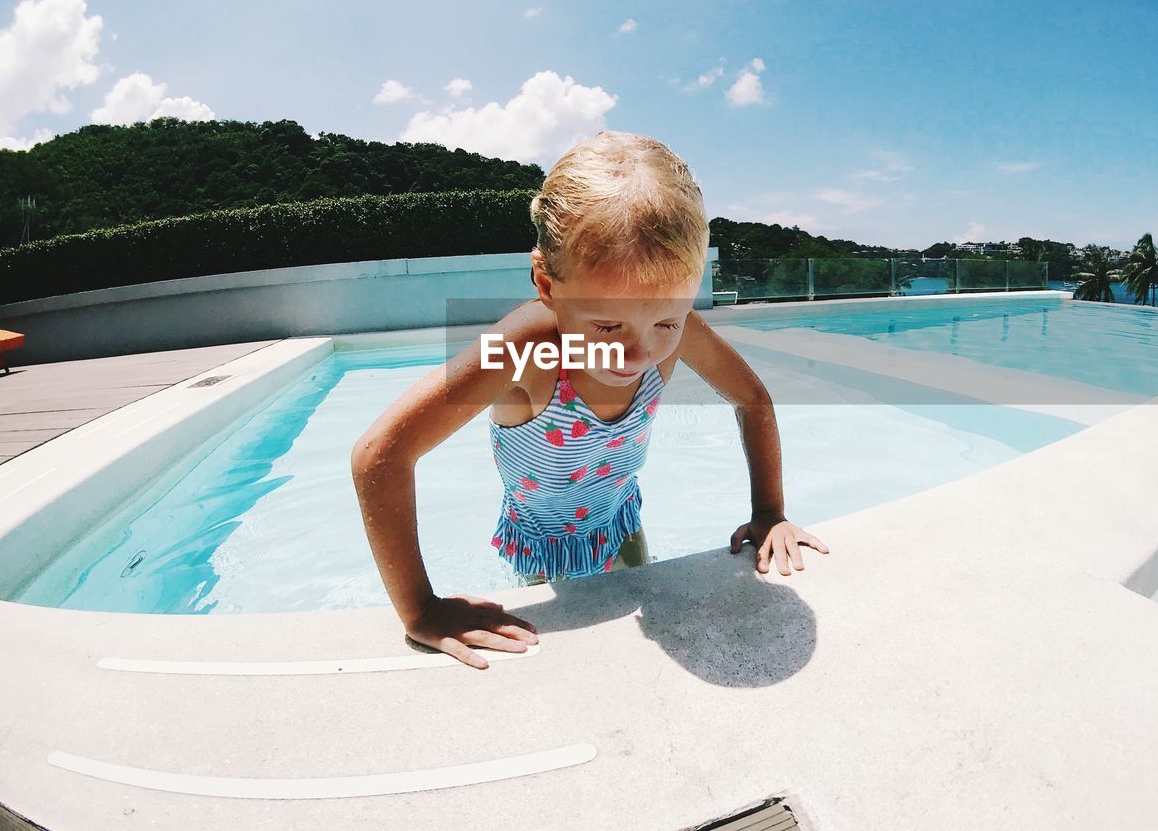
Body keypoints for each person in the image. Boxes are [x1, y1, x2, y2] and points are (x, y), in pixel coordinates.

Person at [351, 131, 829, 670]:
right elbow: (380, 453)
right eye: (606, 325)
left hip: (621, 521)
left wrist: (770, 512)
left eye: (667, 320)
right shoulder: (522, 348)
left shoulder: (680, 330)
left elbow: (753, 399)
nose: (639, 351)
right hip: (540, 540)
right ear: (548, 287)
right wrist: (420, 608)